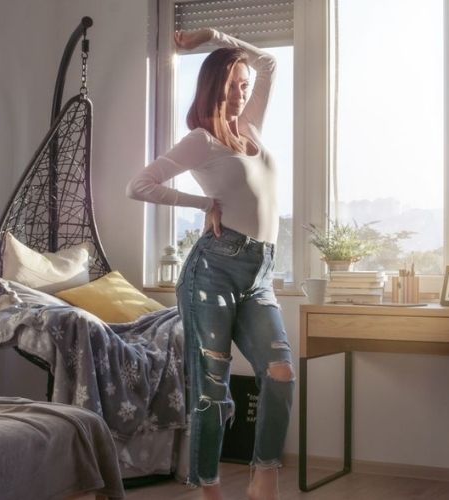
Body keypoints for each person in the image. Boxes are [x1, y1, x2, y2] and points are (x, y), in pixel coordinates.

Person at [126, 28, 294, 500]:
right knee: (212, 391)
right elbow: (140, 184)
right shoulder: (201, 140)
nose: (241, 93)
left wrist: (214, 36)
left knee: (280, 371)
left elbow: (271, 65)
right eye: (233, 85)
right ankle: (209, 488)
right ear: (213, 87)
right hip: (213, 272)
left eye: (244, 85)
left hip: (259, 273)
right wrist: (203, 204)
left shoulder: (252, 128)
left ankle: (265, 475)